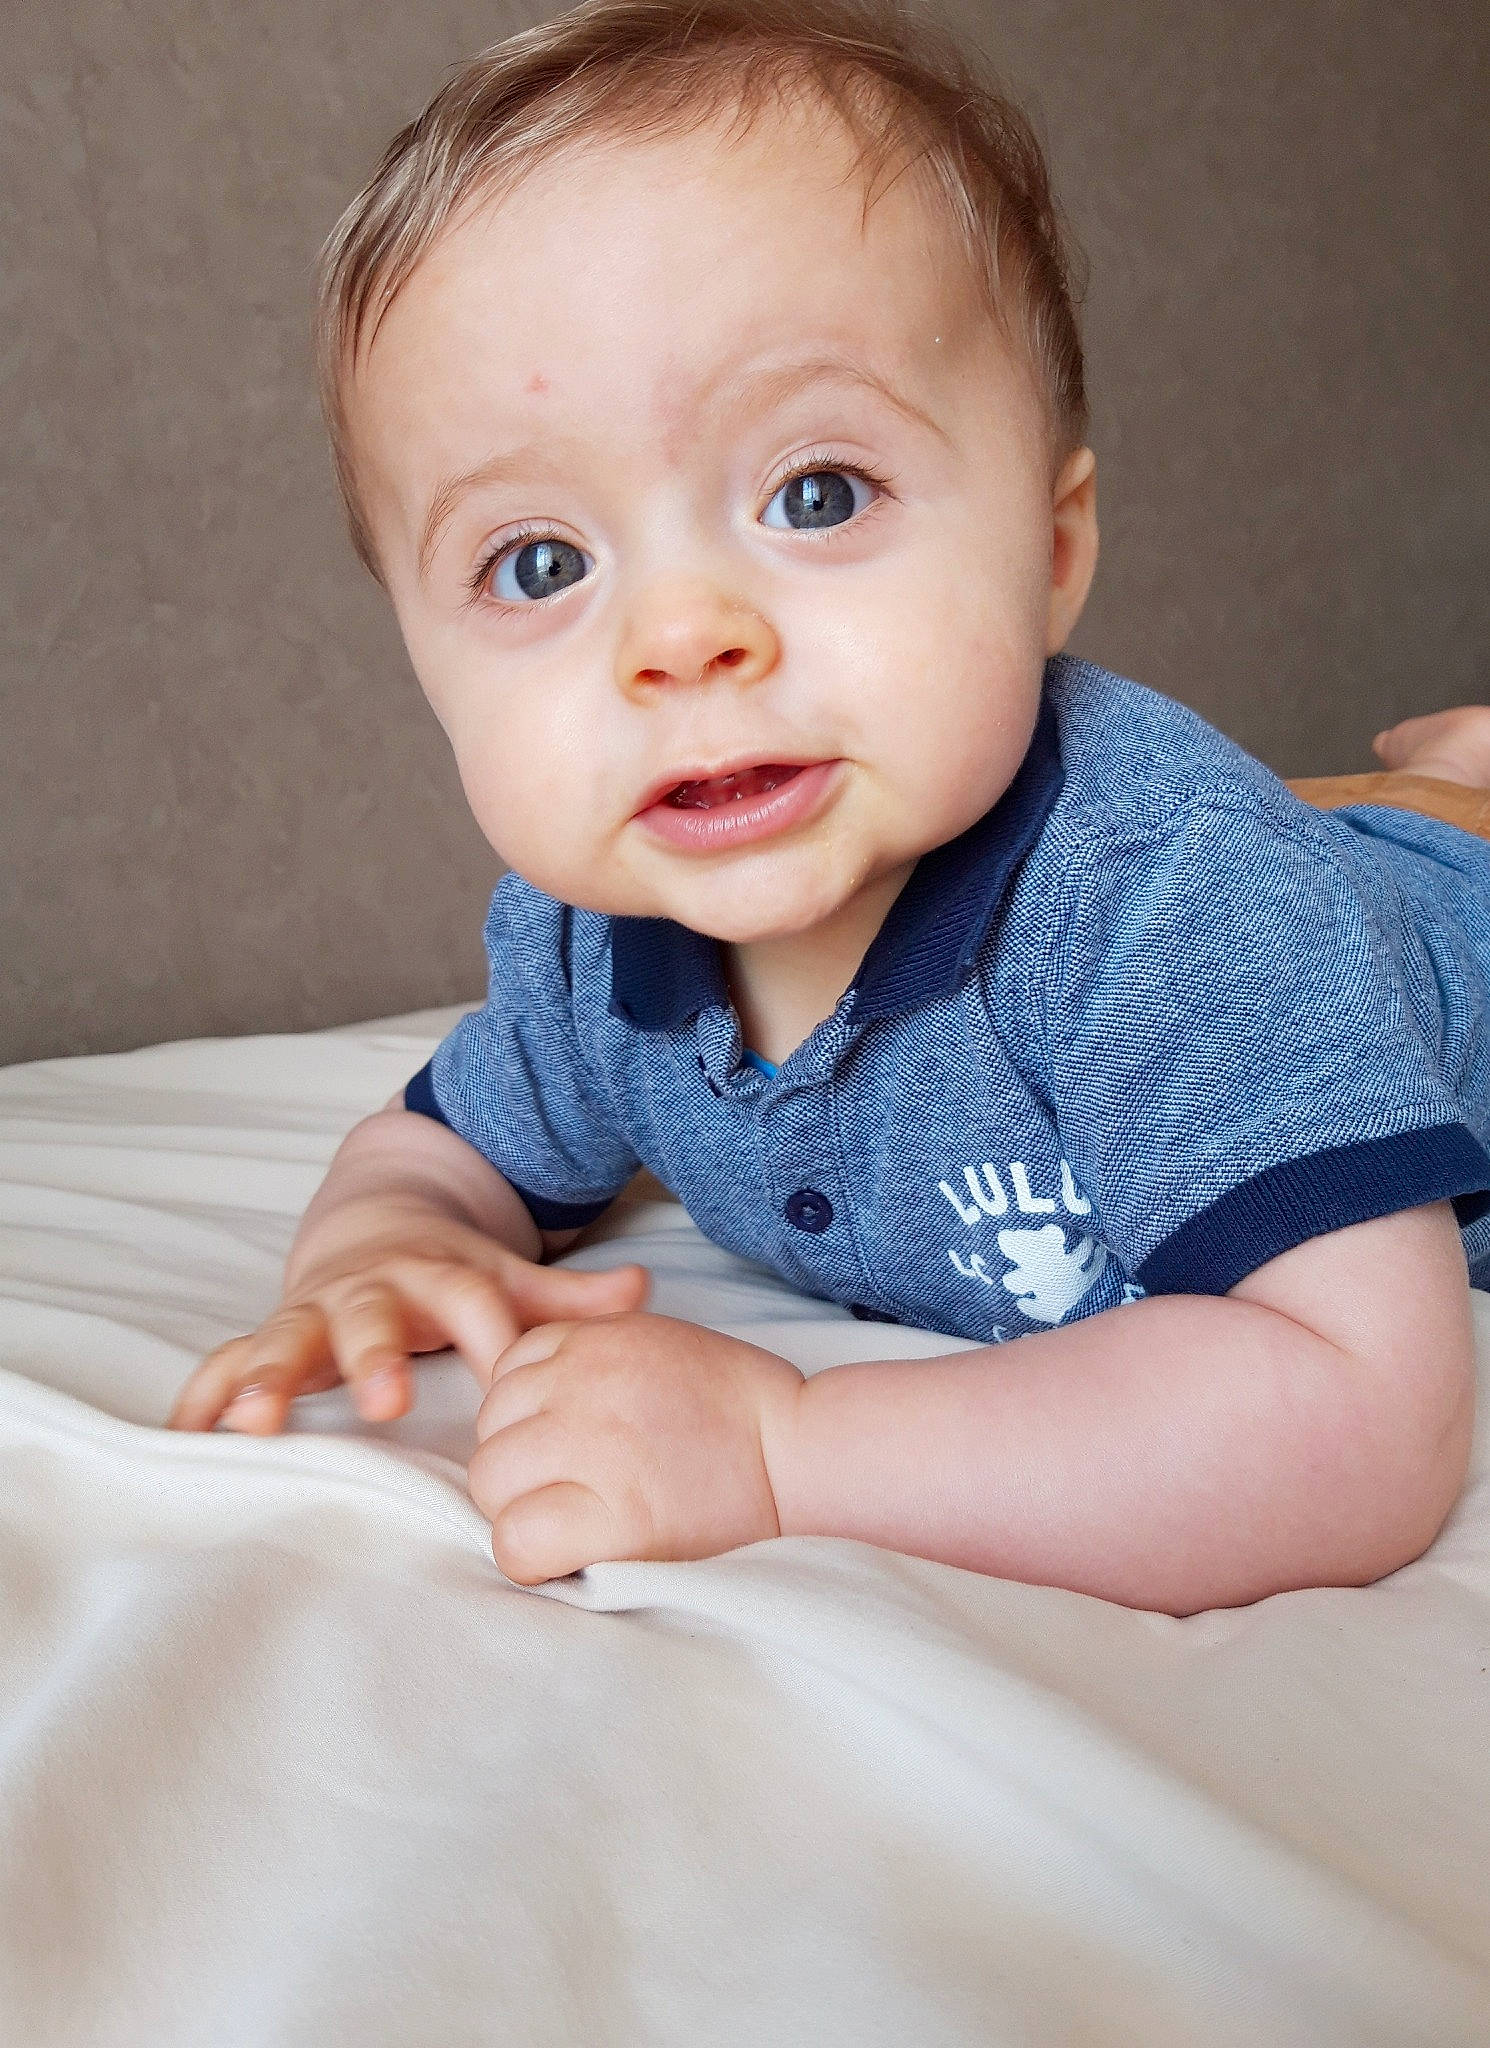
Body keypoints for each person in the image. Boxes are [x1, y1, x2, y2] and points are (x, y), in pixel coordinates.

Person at [170, 0, 1490, 1613]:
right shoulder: (597, 942)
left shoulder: (1170, 904)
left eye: (815, 493)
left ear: (1051, 549)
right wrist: (379, 1247)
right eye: (539, 565)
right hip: (1300, 856)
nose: (680, 639)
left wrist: (791, 1447)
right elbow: (445, 1155)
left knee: (1410, 852)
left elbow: (1363, 1419)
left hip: (1430, 924)